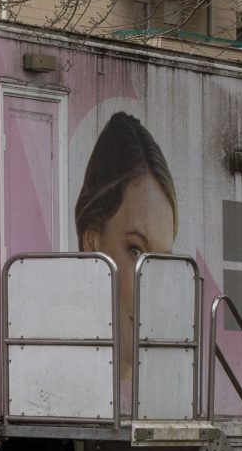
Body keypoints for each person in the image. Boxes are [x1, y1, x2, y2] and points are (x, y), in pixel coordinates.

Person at [73, 111, 179, 401]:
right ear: (92, 241)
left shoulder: (171, 396)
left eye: (162, 261)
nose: (153, 284)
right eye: (136, 250)